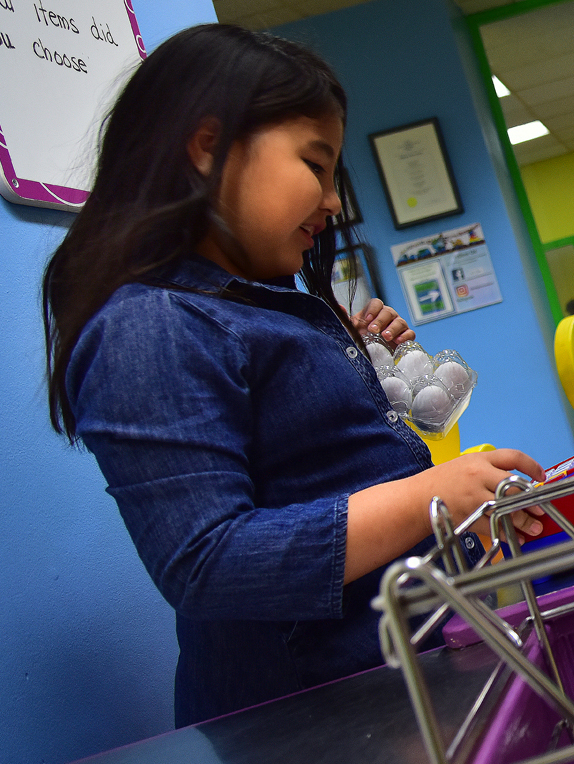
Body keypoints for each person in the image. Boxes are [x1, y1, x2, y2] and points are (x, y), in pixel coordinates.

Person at [41, 24, 546, 727]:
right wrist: (430, 496)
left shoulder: (271, 308)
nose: (335, 201)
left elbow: (333, 474)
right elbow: (209, 562)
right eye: (315, 164)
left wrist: (463, 518)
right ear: (207, 146)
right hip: (315, 722)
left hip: (401, 677)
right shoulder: (148, 327)